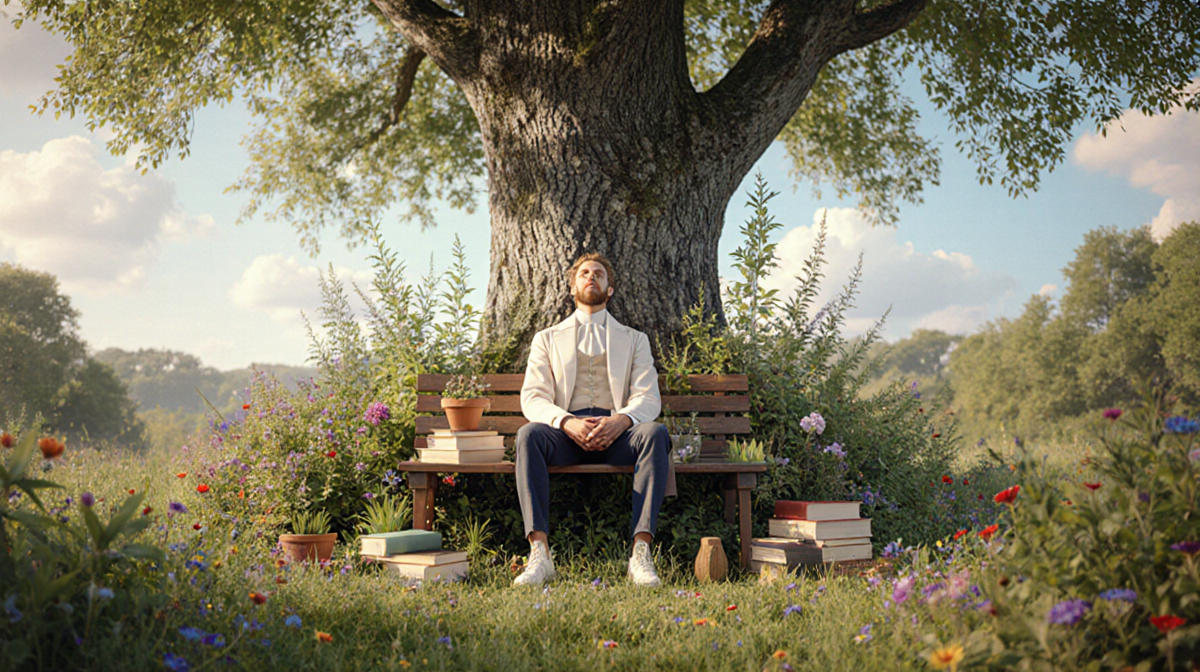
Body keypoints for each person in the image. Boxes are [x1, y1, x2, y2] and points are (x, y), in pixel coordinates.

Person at [513, 252, 670, 587]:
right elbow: (533, 397)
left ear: (609, 289)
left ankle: (641, 554)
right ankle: (539, 554)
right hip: (564, 436)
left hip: (618, 436)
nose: (591, 277)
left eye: (599, 273)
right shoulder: (547, 339)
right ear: (573, 287)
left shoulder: (634, 339)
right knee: (528, 436)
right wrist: (566, 422)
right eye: (584, 273)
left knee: (655, 433)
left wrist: (622, 421)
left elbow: (648, 396)